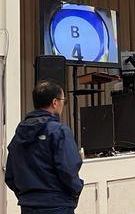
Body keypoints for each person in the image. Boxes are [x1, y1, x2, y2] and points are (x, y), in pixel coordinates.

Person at [5, 80, 84, 214]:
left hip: (28, 206)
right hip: (57, 205)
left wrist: (27, 196)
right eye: (63, 101)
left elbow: (10, 175)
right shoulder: (59, 131)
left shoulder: (20, 133)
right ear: (55, 102)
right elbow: (68, 170)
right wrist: (77, 189)